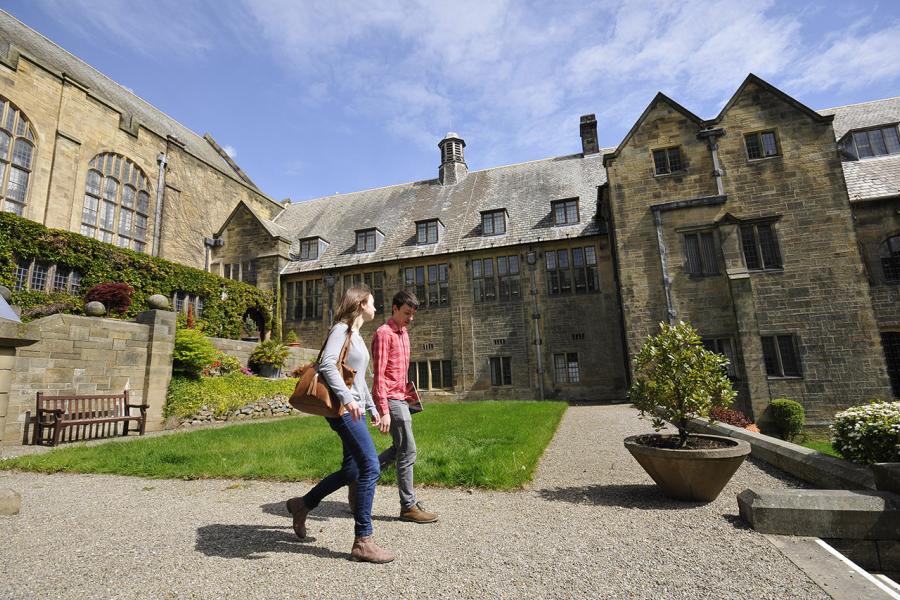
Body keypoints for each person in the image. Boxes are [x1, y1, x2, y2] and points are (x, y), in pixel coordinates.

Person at [285, 286, 395, 564]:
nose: (375, 306)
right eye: (372, 302)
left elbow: (358, 380)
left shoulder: (357, 336)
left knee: (351, 470)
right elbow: (327, 365)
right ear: (359, 304)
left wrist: (372, 407)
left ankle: (303, 504)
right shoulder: (340, 330)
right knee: (370, 466)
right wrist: (348, 400)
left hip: (354, 407)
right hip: (342, 410)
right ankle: (363, 541)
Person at [371, 290, 438, 524]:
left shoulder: (404, 334)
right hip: (389, 398)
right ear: (395, 308)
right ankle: (408, 506)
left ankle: (360, 474)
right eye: (407, 313)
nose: (411, 318)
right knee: (408, 449)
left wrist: (410, 396)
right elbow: (378, 376)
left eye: (413, 314)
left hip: (402, 397)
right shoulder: (384, 334)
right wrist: (383, 410)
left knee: (398, 448)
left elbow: (401, 373)